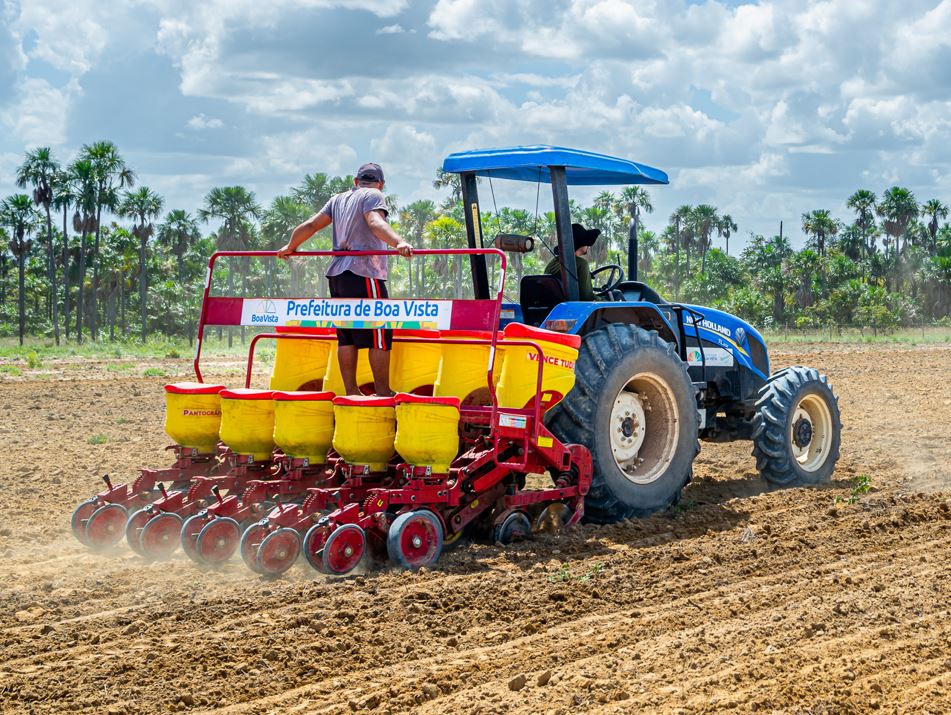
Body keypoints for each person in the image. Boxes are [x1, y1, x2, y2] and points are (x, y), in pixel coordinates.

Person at [277, 162, 413, 396]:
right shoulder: (373, 195)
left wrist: (290, 246)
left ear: (355, 181)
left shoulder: (338, 199)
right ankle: (382, 391)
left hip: (337, 275)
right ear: (381, 183)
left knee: (346, 334)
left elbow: (311, 225)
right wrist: (398, 242)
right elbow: (375, 222)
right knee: (380, 332)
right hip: (364, 271)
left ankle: (351, 390)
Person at [544, 223, 600, 301]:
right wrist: (604, 299)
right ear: (582, 243)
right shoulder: (581, 264)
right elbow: (587, 298)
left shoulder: (552, 263)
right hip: (576, 310)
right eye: (586, 243)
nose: (588, 246)